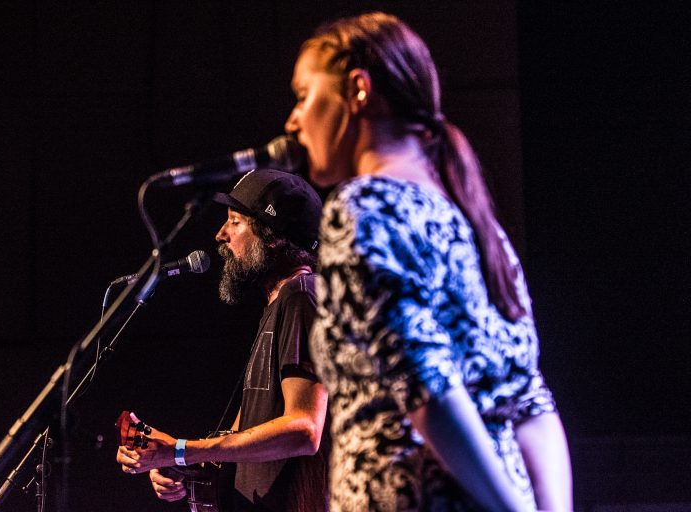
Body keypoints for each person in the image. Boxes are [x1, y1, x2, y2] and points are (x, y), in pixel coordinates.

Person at [284, 12, 573, 512]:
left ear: (358, 90)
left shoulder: (363, 210)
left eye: (304, 95)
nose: (293, 120)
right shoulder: (481, 228)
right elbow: (531, 404)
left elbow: (428, 389)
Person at [116, 169, 329, 512]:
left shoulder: (302, 296)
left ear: (271, 235)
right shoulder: (278, 306)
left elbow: (304, 429)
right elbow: (243, 438)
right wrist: (176, 461)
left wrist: (183, 449)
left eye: (234, 221)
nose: (220, 235)